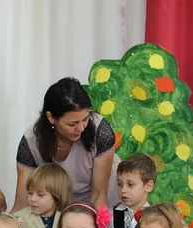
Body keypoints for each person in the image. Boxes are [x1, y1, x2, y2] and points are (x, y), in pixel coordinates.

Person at [12, 77, 120, 212]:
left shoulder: (100, 131)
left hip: (105, 207)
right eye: (72, 124)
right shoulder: (31, 141)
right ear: (51, 118)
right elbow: (22, 204)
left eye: (85, 119)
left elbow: (99, 195)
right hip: (64, 213)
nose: (81, 128)